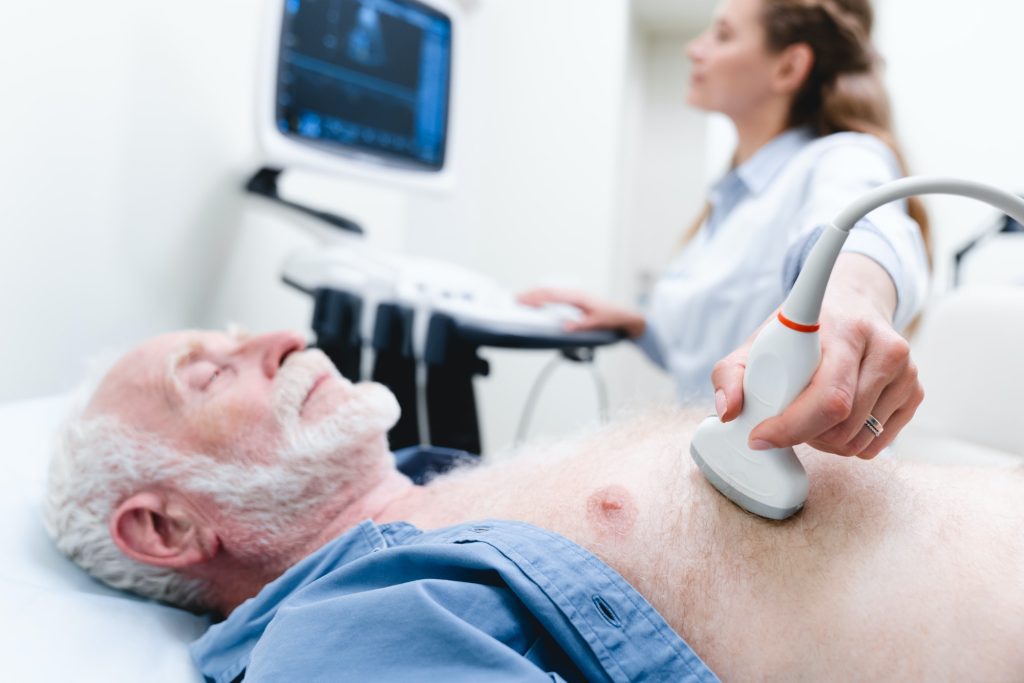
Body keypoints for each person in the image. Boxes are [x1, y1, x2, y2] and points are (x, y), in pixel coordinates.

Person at [46, 330, 1024, 681]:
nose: (277, 334)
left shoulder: (457, 488)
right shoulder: (337, 639)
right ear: (167, 528)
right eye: (208, 371)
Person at [520, 0, 929, 462]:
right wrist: (639, 326)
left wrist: (855, 298)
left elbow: (861, 227)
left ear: (789, 67)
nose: (695, 49)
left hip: (798, 483)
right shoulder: (730, 198)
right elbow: (708, 350)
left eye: (722, 34)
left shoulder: (843, 158)